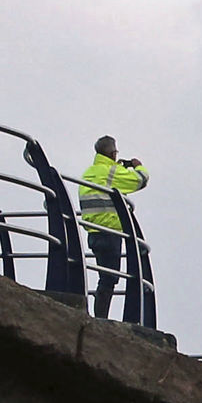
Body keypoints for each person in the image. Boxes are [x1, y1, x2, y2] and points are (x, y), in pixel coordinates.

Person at [77, 135, 146, 315]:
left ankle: (98, 315)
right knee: (109, 279)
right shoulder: (112, 172)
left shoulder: (88, 172)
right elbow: (141, 179)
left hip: (93, 232)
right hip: (110, 231)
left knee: (104, 276)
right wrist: (137, 164)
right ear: (113, 153)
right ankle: (100, 318)